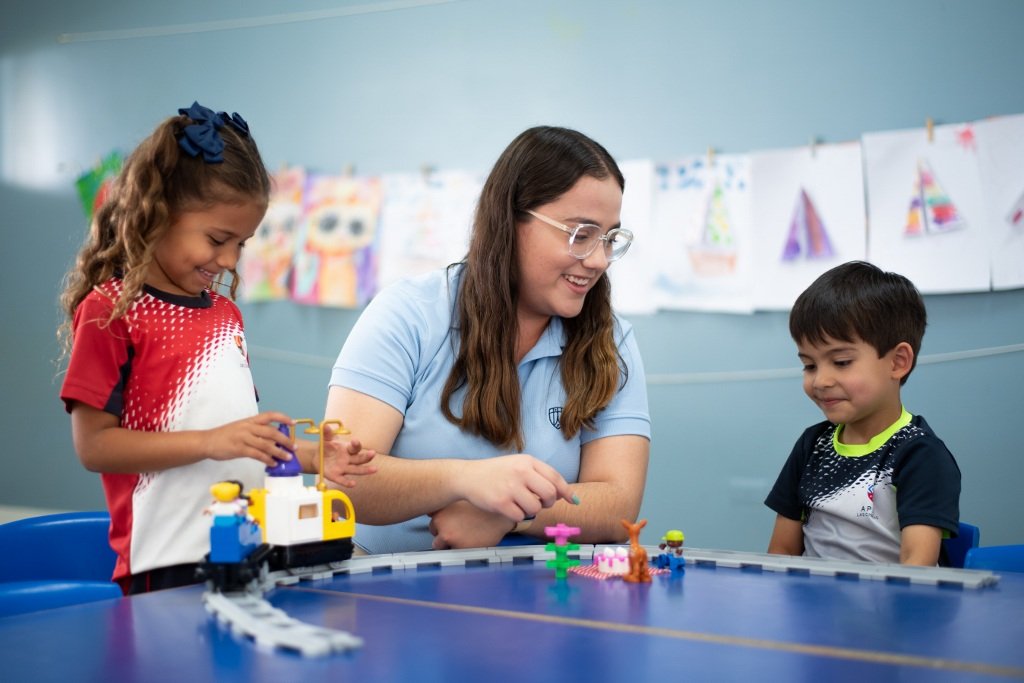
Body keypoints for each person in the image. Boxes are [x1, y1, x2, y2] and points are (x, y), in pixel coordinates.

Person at [58, 102, 374, 594]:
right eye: (217, 238)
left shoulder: (226, 315)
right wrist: (213, 440)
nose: (228, 260)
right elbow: (94, 446)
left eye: (242, 245)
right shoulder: (111, 311)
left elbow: (237, 446)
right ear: (158, 212)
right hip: (163, 563)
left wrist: (315, 457)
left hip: (247, 552)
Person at [323, 126, 651, 554]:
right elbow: (343, 481)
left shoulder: (611, 341)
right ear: (510, 220)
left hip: (541, 593)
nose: (598, 260)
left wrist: (510, 513)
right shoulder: (409, 315)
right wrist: (465, 482)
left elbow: (619, 505)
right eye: (580, 235)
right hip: (390, 587)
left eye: (609, 238)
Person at [764, 261, 961, 566]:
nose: (820, 381)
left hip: (894, 607)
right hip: (815, 606)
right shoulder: (812, 445)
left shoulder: (919, 454)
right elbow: (782, 553)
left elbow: (917, 568)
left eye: (841, 362)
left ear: (897, 362)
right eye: (809, 365)